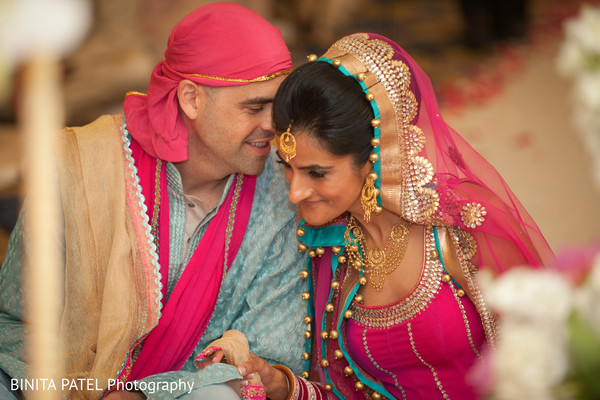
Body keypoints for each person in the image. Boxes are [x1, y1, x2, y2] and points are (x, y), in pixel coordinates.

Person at [0, 3, 307, 399]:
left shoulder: (286, 193)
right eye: (254, 107)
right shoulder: (81, 167)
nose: (272, 124)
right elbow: (13, 322)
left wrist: (147, 395)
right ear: (191, 99)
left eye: (278, 106)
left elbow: (269, 353)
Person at [236, 33, 554, 399]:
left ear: (376, 155)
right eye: (287, 168)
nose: (295, 192)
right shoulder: (332, 249)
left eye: (317, 173)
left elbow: (548, 356)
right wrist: (285, 386)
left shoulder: (460, 230)